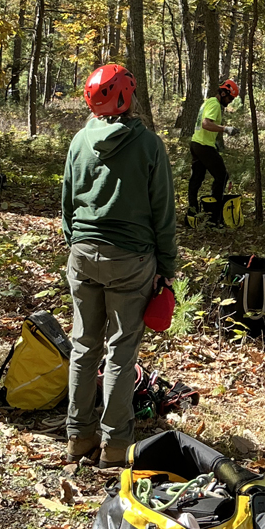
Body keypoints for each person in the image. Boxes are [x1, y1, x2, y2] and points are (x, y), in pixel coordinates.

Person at [62, 64, 177, 463]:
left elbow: (67, 201)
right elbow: (163, 211)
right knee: (121, 352)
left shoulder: (79, 141)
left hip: (83, 253)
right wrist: (168, 264)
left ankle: (78, 435)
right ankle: (115, 444)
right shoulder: (149, 145)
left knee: (84, 347)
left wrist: (74, 242)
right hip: (131, 259)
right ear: (129, 97)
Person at [188, 79, 239, 219]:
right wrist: (225, 129)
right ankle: (214, 213)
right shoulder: (215, 105)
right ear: (223, 93)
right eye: (230, 98)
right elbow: (206, 124)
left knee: (196, 180)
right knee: (222, 176)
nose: (230, 101)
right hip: (204, 146)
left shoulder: (208, 102)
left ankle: (192, 213)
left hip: (196, 144)